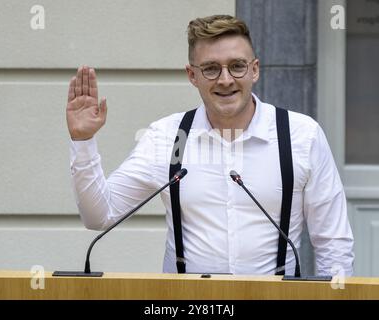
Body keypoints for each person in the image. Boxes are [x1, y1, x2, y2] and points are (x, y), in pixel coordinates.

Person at [66, 15, 354, 276]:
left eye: (237, 66)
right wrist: (83, 141)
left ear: (254, 70)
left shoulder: (301, 135)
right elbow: (99, 216)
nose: (226, 80)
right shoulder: (169, 138)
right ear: (192, 76)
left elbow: (333, 243)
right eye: (211, 69)